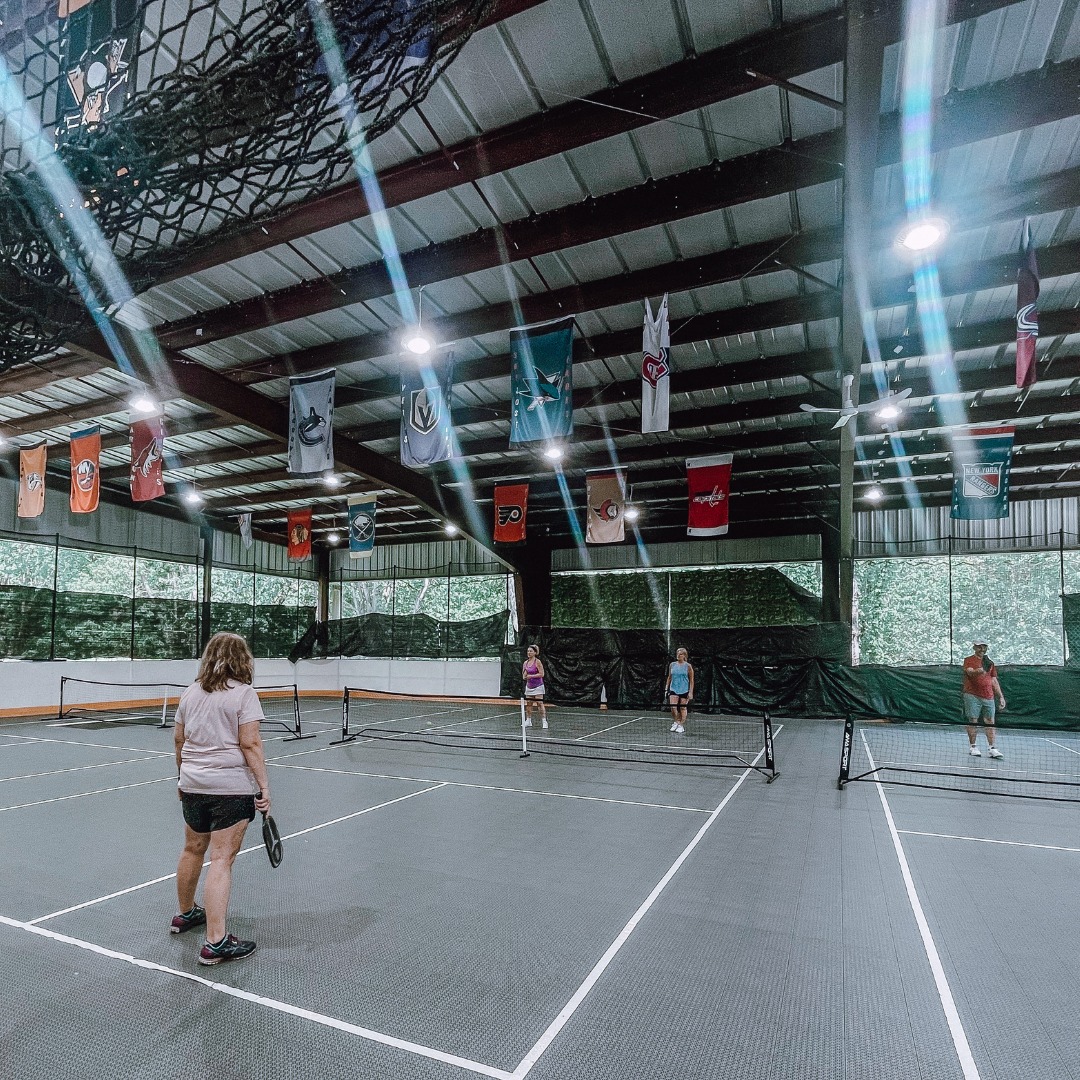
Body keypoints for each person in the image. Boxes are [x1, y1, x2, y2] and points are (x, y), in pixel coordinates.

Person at [171, 632, 272, 966]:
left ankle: (186, 914)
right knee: (222, 859)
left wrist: (182, 778)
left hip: (193, 784)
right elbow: (251, 744)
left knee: (191, 849)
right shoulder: (244, 695)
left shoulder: (189, 693)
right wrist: (264, 787)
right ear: (242, 659)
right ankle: (215, 942)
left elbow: (178, 742)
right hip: (229, 788)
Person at [961, 641, 1005, 758]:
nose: (981, 649)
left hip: (989, 696)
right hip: (972, 695)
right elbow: (970, 673)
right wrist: (982, 669)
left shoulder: (990, 663)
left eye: (984, 646)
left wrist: (1000, 697)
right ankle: (973, 747)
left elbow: (994, 681)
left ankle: (992, 748)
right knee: (972, 720)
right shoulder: (968, 660)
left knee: (990, 722)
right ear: (974, 647)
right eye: (979, 647)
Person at [665, 647, 694, 734]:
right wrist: (666, 688)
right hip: (674, 688)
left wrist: (691, 692)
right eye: (677, 653)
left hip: (684, 689)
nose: (678, 655)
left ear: (684, 655)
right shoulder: (672, 665)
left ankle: (681, 725)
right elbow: (669, 677)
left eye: (680, 654)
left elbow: (692, 680)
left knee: (682, 707)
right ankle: (677, 721)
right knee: (673, 707)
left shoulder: (688, 666)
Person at [522, 643, 548, 729]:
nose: (529, 653)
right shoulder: (525, 663)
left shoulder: (538, 662)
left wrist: (531, 676)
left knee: (540, 703)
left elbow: (542, 674)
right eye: (528, 651)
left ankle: (544, 721)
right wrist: (525, 676)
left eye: (531, 651)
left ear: (535, 653)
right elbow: (524, 674)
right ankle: (528, 721)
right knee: (528, 703)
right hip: (529, 686)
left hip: (538, 686)